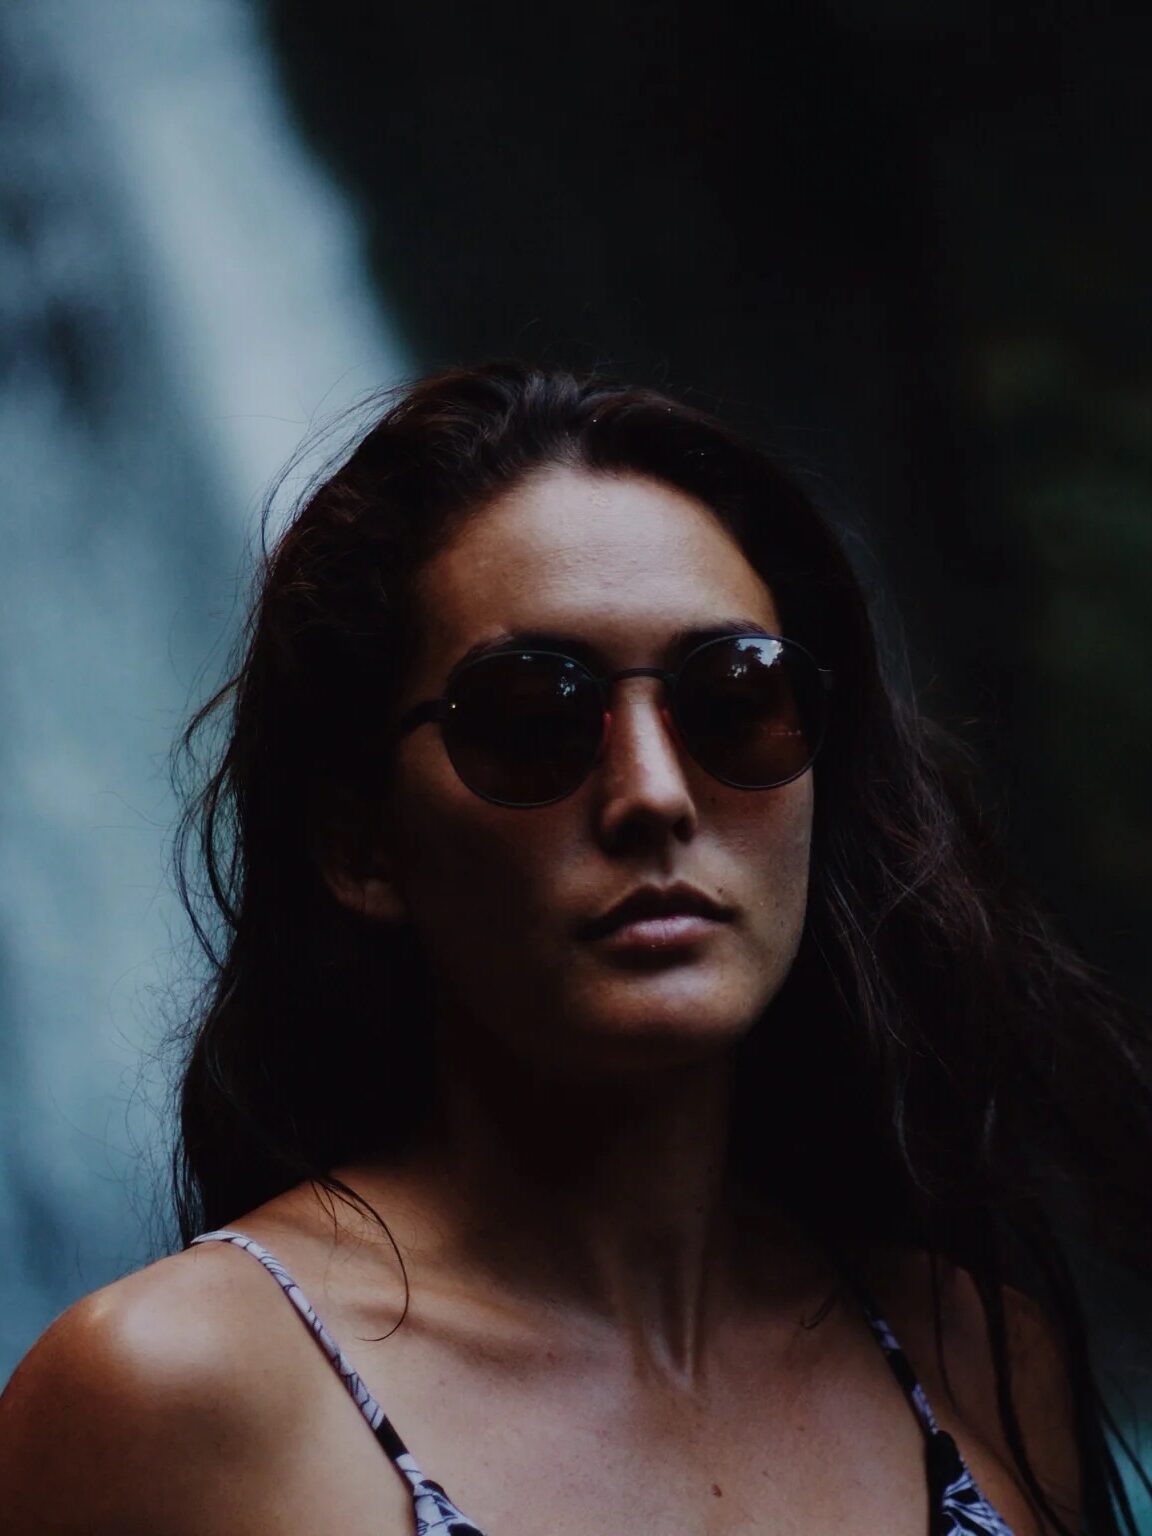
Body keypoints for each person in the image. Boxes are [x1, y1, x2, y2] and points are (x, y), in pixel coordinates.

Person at [1, 361, 1149, 1535]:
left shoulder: (978, 1362)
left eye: (734, 698)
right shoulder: (185, 1402)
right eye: (533, 720)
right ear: (360, 844)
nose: (653, 794)